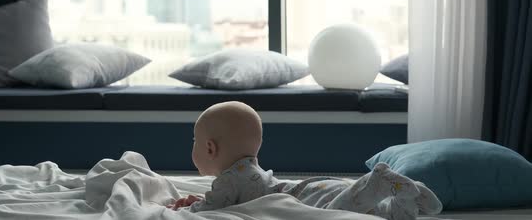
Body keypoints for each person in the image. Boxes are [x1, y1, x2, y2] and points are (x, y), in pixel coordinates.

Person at [167, 101, 442, 220]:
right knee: (368, 212)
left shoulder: (229, 179)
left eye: (195, 141)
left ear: (210, 148)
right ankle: (406, 198)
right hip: (312, 187)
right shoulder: (245, 171)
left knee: (336, 211)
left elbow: (209, 208)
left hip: (306, 197)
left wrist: (182, 210)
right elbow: (218, 202)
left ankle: (378, 181)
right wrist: (201, 201)